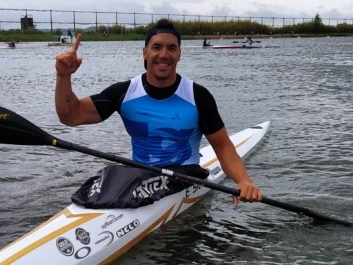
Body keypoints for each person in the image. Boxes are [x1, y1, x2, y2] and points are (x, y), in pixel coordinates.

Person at [54, 18, 263, 206]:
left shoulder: (197, 96)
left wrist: (244, 181)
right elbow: (71, 115)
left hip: (184, 177)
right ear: (145, 52)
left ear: (179, 54)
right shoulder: (124, 93)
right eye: (157, 47)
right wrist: (63, 77)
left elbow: (223, 146)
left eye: (171, 48)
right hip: (139, 175)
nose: (164, 54)